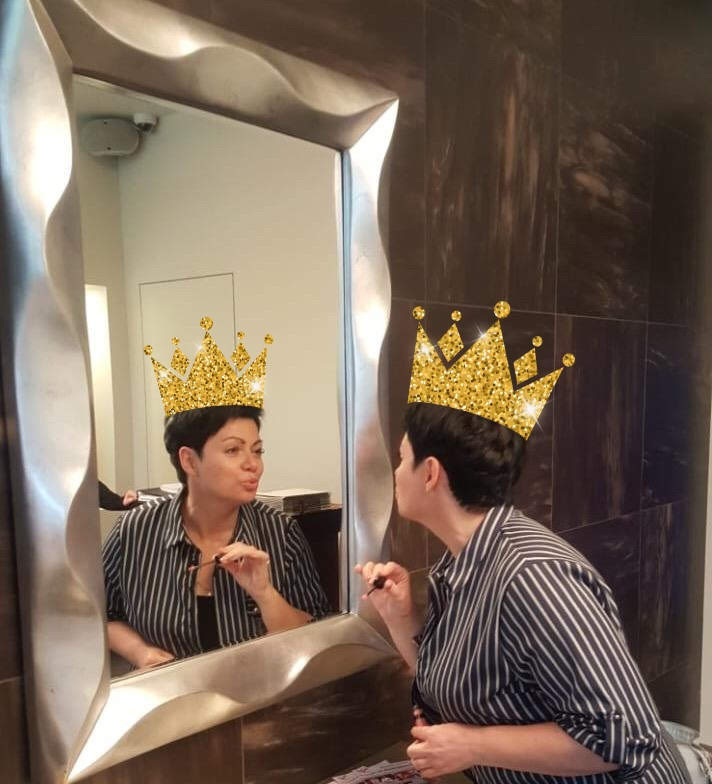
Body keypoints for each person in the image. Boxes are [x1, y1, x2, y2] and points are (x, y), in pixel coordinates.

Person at [357, 402, 691, 783]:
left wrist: (472, 746)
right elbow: (455, 682)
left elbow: (619, 735)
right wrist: (400, 617)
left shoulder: (531, 575)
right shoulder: (459, 564)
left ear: (430, 473)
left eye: (402, 459)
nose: (396, 473)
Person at [103, 404, 330, 669]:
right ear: (189, 461)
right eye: (233, 450)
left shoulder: (280, 532)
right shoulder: (134, 529)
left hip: (260, 689)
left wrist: (264, 593)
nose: (253, 465)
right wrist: (139, 652)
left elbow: (316, 635)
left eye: (257, 451)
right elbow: (98, 614)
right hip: (171, 690)